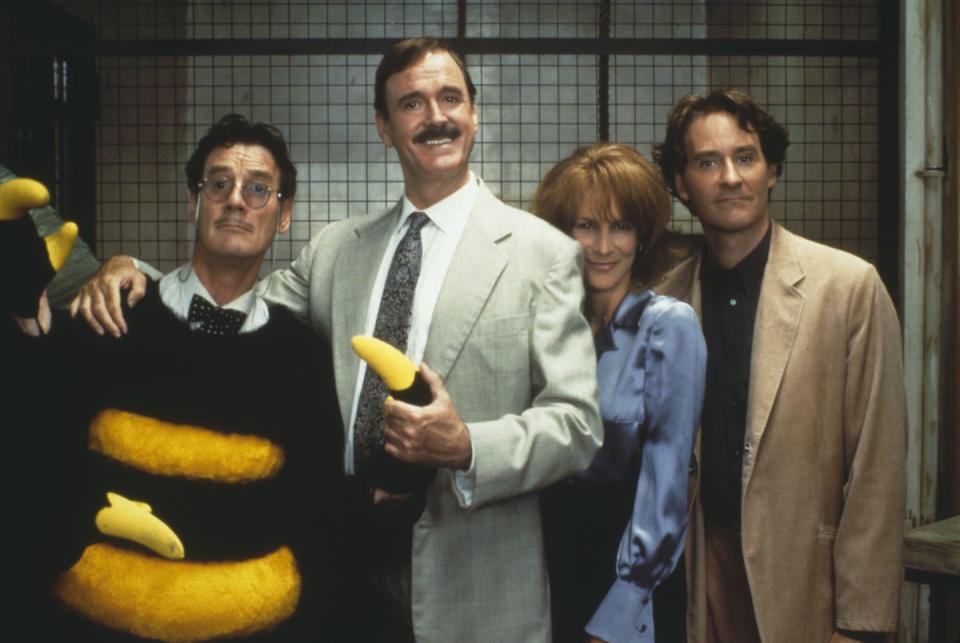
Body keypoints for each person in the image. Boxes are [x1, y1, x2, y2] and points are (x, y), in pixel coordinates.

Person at [71, 38, 602, 643]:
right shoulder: (337, 248)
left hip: (473, 577)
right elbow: (229, 301)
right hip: (345, 566)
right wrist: (130, 273)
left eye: (450, 98)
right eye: (411, 103)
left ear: (474, 115)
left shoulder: (544, 255)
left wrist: (466, 446)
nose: (434, 117)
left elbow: (578, 425)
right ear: (384, 127)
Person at [10, 114, 346, 641]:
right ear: (194, 205)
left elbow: (319, 517)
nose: (236, 199)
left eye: (259, 189)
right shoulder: (107, 320)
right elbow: (30, 456)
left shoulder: (302, 358)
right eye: (218, 184)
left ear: (283, 216)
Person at [652, 88, 906, 643]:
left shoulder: (848, 287)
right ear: (680, 184)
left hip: (805, 581)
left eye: (746, 157)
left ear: (773, 171)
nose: (730, 177)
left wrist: (860, 625)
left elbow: (877, 468)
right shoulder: (667, 299)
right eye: (707, 161)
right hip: (700, 570)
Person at [533, 143, 706, 643]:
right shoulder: (549, 329)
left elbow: (667, 482)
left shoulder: (668, 327)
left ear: (644, 234)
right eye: (585, 226)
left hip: (626, 577)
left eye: (621, 227)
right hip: (545, 569)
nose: (603, 245)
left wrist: (620, 612)